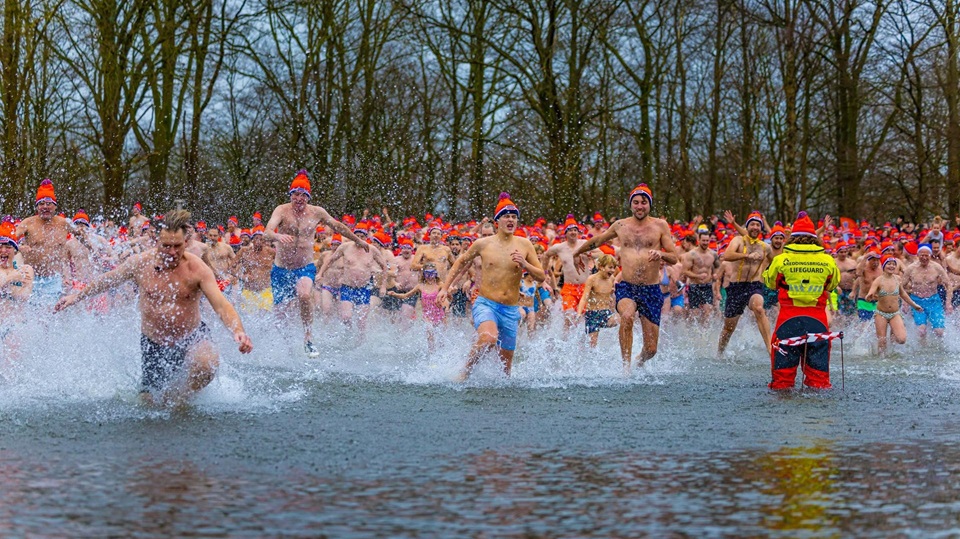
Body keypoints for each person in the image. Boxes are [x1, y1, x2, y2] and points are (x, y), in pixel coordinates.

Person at [55, 209, 253, 406]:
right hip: (154, 343)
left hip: (191, 335)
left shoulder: (197, 269)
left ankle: (181, 401)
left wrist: (238, 331)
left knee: (206, 363)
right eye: (166, 246)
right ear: (157, 241)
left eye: (177, 246)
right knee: (148, 403)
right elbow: (109, 280)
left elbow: (221, 304)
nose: (172, 252)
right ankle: (161, 398)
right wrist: (76, 296)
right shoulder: (140, 263)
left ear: (186, 242)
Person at [572, 184, 679, 374]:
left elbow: (674, 256)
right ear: (631, 205)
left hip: (651, 289)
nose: (640, 206)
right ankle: (626, 368)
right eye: (636, 202)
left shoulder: (660, 226)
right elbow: (598, 240)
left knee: (651, 349)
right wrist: (577, 252)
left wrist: (660, 254)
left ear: (649, 205)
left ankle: (638, 360)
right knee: (627, 317)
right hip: (628, 286)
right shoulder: (620, 225)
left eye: (644, 202)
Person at [438, 193, 546, 380]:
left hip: (511, 309)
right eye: (506, 216)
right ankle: (464, 373)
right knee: (489, 337)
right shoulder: (483, 244)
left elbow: (541, 276)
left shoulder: (525, 244)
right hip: (486, 303)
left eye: (514, 217)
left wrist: (525, 265)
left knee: (506, 371)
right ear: (497, 221)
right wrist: (444, 288)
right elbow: (460, 263)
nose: (511, 219)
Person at [263, 170, 370, 357]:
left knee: (304, 295)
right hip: (281, 269)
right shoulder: (281, 210)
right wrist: (278, 235)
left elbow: (338, 226)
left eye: (303, 194)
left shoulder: (317, 212)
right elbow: (266, 232)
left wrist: (357, 240)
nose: (299, 198)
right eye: (295, 194)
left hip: (304, 267)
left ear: (308, 196)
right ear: (290, 194)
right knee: (280, 315)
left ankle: (308, 338)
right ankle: (286, 347)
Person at [762, 211, 840, 390]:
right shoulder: (827, 260)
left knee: (782, 382)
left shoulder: (782, 259)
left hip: (787, 321)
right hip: (818, 322)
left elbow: (770, 283)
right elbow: (832, 285)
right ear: (814, 238)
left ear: (793, 238)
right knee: (819, 381)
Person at [718, 211, 773, 356]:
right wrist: (747, 256)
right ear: (747, 227)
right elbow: (727, 256)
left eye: (758, 225)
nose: (755, 227)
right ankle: (720, 353)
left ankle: (771, 350)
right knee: (729, 328)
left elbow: (775, 262)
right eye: (752, 224)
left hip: (754, 286)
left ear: (761, 228)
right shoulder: (738, 240)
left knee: (759, 308)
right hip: (736, 287)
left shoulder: (765, 247)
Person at [15, 179, 70, 306]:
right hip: (31, 279)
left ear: (55, 206)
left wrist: (95, 249)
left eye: (49, 203)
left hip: (54, 280)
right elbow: (8, 241)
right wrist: (19, 247)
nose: (45, 207)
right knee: (30, 316)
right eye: (41, 204)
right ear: (37, 207)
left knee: (50, 316)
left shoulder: (64, 223)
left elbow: (84, 236)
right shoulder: (28, 223)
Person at [542, 215, 592, 331]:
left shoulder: (585, 244)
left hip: (585, 287)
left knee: (583, 319)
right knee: (569, 317)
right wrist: (544, 273)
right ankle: (564, 343)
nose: (573, 232)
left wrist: (590, 256)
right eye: (570, 230)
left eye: (575, 230)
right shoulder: (559, 247)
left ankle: (582, 345)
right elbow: (546, 255)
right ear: (565, 233)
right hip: (569, 287)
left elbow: (600, 254)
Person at [865, 256, 922, 355]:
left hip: (895, 314)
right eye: (889, 264)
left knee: (901, 339)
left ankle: (893, 334)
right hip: (881, 314)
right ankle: (882, 361)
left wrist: (914, 305)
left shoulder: (898, 279)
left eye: (893, 264)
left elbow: (903, 294)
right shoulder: (878, 280)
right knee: (882, 343)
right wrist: (869, 296)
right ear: (883, 266)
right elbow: (870, 293)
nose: (891, 266)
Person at [0, 219, 35, 378]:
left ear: (15, 250)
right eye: (0, 246)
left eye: (8, 247)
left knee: (10, 373)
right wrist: (9, 280)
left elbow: (24, 296)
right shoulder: (16, 274)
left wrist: (7, 284)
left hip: (14, 325)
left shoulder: (26, 269)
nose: (3, 250)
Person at [387, 263, 446, 351]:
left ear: (436, 274)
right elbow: (405, 296)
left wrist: (447, 300)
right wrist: (395, 294)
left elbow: (448, 296)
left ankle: (442, 354)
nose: (430, 276)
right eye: (427, 274)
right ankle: (432, 353)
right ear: (423, 274)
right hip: (427, 314)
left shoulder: (440, 285)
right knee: (429, 332)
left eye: (432, 273)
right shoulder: (420, 286)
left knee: (441, 338)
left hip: (439, 313)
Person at [902, 243, 953, 341]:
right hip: (917, 301)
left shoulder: (937, 267)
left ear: (930, 255)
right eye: (922, 255)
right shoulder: (911, 268)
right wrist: (905, 303)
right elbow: (902, 287)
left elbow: (948, 285)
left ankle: (939, 349)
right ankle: (923, 350)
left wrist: (948, 303)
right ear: (917, 255)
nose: (924, 258)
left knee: (939, 332)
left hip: (934, 301)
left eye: (926, 255)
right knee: (921, 331)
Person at [576, 254, 619, 348]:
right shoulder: (592, 279)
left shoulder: (611, 279)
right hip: (593, 314)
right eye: (610, 267)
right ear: (601, 267)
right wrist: (579, 313)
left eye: (614, 268)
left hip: (605, 313)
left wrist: (610, 297)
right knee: (592, 346)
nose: (612, 270)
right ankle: (582, 347)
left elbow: (607, 294)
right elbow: (584, 297)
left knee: (623, 319)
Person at [680, 228, 720, 322]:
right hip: (694, 286)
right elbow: (685, 271)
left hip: (707, 286)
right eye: (703, 241)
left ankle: (705, 335)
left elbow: (718, 267)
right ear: (699, 240)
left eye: (707, 241)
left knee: (708, 312)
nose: (705, 243)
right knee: (695, 315)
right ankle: (694, 334)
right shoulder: (691, 254)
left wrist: (716, 274)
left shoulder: (713, 254)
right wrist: (697, 276)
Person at [234, 226, 275, 312]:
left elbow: (281, 265)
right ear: (252, 240)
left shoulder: (271, 252)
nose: (259, 242)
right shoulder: (244, 252)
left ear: (264, 241)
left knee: (265, 315)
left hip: (265, 290)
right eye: (256, 239)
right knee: (248, 318)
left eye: (261, 239)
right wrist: (242, 276)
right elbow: (231, 268)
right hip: (248, 290)